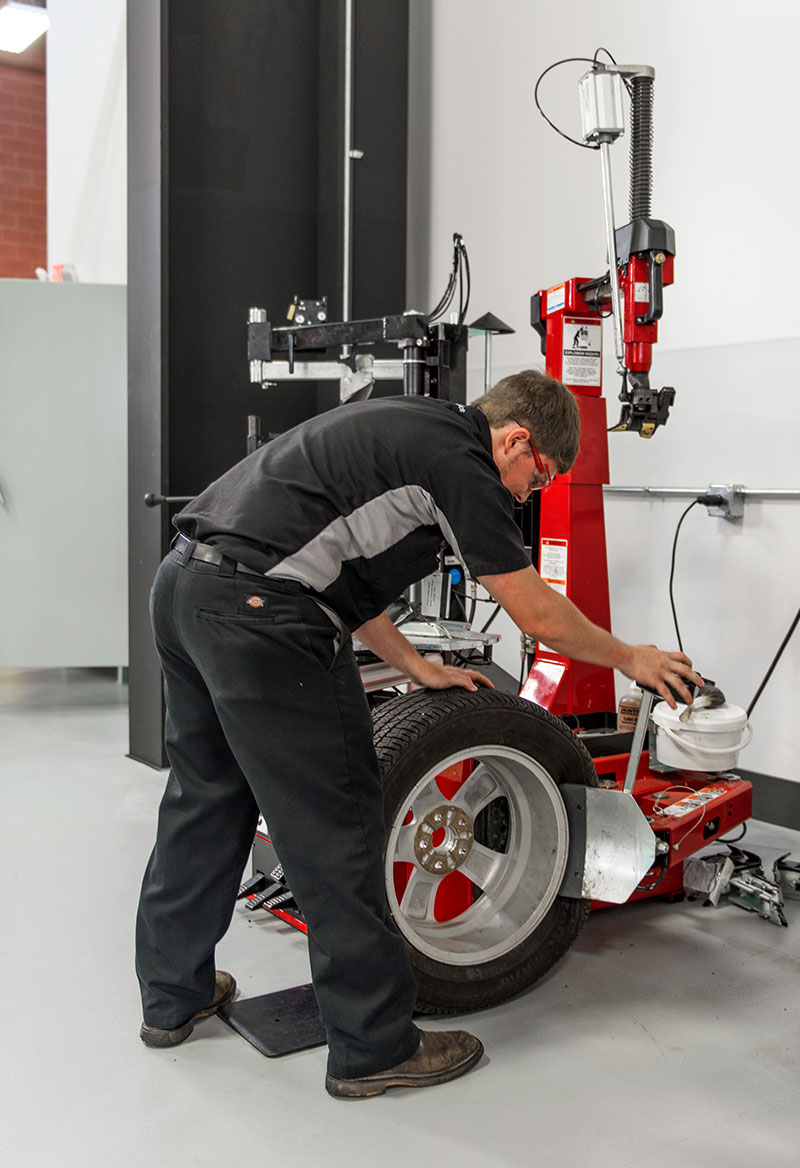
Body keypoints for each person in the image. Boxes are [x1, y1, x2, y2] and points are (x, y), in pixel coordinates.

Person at [135, 369, 702, 1098]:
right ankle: (373, 1044)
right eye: (539, 476)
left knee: (206, 798)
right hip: (260, 615)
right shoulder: (462, 464)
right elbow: (535, 612)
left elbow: (340, 581)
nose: (528, 495)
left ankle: (173, 995)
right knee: (339, 827)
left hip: (186, 588)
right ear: (516, 441)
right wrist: (632, 657)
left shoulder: (411, 429)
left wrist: (414, 665)